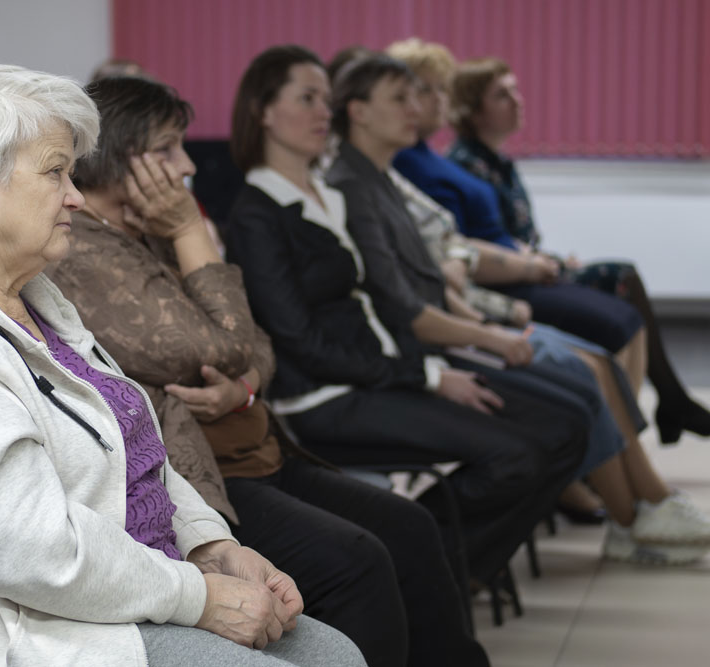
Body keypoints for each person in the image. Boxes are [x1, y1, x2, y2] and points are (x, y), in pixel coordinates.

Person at [0, 64, 366, 667]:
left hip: (112, 600)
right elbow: (28, 553)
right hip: (22, 639)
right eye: (56, 172)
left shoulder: (32, 298)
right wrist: (200, 596)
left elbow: (134, 450)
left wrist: (209, 544)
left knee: (334, 653)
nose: (77, 196)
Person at [46, 74, 489, 667]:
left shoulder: (139, 233)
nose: (186, 167)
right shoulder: (89, 252)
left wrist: (246, 387)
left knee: (409, 526)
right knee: (357, 561)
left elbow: (258, 346)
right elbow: (226, 347)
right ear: (118, 156)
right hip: (208, 480)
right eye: (167, 149)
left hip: (255, 446)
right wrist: (189, 231)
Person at [225, 45, 593, 589]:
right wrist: (429, 376)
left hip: (385, 371)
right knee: (516, 457)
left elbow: (380, 303)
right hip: (327, 398)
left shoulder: (329, 195)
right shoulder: (257, 214)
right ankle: (430, 573)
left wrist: (435, 363)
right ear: (263, 111)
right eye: (306, 99)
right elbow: (302, 343)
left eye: (326, 98)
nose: (324, 112)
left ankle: (433, 570)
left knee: (563, 430)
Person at [326, 52, 710, 564]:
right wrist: (490, 328)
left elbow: (434, 273)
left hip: (460, 322)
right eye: (402, 97)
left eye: (421, 94)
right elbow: (409, 305)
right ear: (357, 111)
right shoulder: (355, 184)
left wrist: (482, 318)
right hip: (430, 348)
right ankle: (629, 518)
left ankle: (645, 505)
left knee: (590, 367)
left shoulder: (379, 177)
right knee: (577, 388)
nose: (416, 107)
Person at [443, 53, 710, 445]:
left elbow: (513, 235)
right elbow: (472, 244)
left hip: (529, 266)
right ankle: (660, 412)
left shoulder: (498, 162)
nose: (517, 101)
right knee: (622, 281)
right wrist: (536, 263)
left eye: (516, 91)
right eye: (502, 95)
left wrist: (547, 258)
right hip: (506, 282)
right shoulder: (466, 165)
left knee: (624, 282)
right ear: (472, 109)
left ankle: (657, 414)